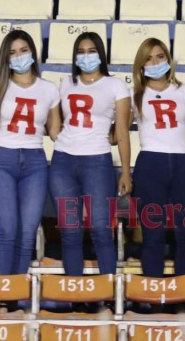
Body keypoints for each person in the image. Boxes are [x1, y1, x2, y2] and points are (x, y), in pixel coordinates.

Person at [49, 32, 131, 278]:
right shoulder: (65, 83)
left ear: (101, 54)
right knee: (70, 231)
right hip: (63, 159)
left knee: (100, 229)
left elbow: (123, 132)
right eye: (81, 52)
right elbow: (54, 123)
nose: (86, 57)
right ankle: (77, 295)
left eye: (92, 51)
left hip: (97, 160)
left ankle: (108, 295)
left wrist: (126, 172)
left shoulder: (116, 85)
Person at [0, 30, 61, 293]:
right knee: (7, 229)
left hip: (35, 161)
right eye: (12, 53)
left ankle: (16, 295)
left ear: (33, 52)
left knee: (27, 232)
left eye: (23, 50)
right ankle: (3, 299)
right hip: (0, 159)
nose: (19, 57)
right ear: (6, 58)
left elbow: (56, 131)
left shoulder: (49, 89)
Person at [131, 38, 185, 278]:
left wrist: (176, 139)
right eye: (148, 58)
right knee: (152, 234)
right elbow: (118, 132)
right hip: (149, 166)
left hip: (179, 164)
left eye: (160, 56)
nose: (155, 62)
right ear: (141, 65)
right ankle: (153, 297)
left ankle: (184, 296)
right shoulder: (133, 94)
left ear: (168, 59)